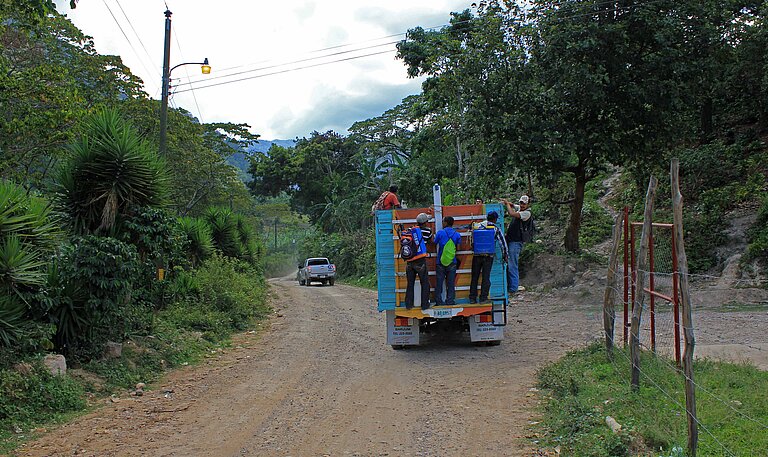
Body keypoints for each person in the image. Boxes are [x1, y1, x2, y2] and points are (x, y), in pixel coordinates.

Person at [469, 210, 508, 304]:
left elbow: (471, 241)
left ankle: (472, 298)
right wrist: (505, 255)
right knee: (486, 277)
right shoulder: (495, 228)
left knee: (474, 277)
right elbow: (502, 243)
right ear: (495, 219)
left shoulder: (477, 226)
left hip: (477, 256)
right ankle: (483, 298)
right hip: (488, 256)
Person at [501, 195, 532, 293]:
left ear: (528, 204)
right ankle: (511, 286)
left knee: (512, 264)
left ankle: (513, 288)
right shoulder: (520, 208)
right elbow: (513, 205)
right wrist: (507, 202)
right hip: (511, 240)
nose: (522, 205)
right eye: (521, 203)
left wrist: (507, 205)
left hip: (516, 242)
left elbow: (511, 213)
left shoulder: (526, 213)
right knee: (510, 263)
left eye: (524, 203)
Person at [404, 212, 433, 310]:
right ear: (425, 222)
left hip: (410, 261)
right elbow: (430, 242)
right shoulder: (428, 231)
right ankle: (425, 305)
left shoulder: (410, 230)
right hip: (420, 261)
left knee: (410, 283)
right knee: (424, 283)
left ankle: (408, 305)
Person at [433, 216, 462, 306]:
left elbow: (434, 242)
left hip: (440, 262)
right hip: (452, 262)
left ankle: (439, 301)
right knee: (451, 283)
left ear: (445, 223)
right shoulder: (457, 234)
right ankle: (450, 301)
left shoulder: (440, 233)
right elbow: (458, 248)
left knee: (439, 283)